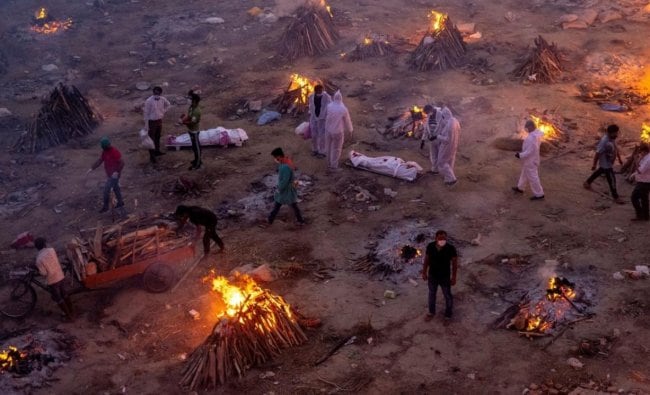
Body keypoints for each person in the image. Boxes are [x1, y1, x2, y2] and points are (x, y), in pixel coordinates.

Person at [421, 230, 458, 321]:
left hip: (444, 277)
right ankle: (431, 312)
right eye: (440, 238)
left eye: (444, 238)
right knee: (432, 294)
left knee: (447, 295)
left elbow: (454, 264)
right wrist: (424, 272)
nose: (442, 240)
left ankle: (448, 315)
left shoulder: (450, 248)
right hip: (432, 276)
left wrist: (453, 277)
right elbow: (427, 260)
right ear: (436, 238)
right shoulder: (430, 246)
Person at [34, 237, 74, 320]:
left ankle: (69, 317)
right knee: (65, 294)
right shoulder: (51, 250)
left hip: (52, 280)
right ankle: (71, 310)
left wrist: (38, 270)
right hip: (60, 275)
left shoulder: (38, 259)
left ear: (36, 247)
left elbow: (44, 273)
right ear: (45, 244)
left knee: (58, 298)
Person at [583, 124, 624, 204]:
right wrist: (594, 164)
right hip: (606, 164)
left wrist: (619, 158)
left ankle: (587, 182)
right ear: (610, 133)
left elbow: (615, 148)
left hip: (608, 163)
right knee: (612, 180)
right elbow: (597, 153)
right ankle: (615, 197)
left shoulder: (612, 138)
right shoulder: (604, 141)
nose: (616, 135)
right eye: (615, 133)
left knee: (600, 171)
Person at [267, 148, 305, 225]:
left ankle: (270, 220)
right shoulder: (286, 162)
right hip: (289, 188)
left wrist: (279, 188)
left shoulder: (285, 167)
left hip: (287, 189)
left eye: (275, 157)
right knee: (289, 204)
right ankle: (300, 221)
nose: (275, 159)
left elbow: (285, 180)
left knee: (282, 204)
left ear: (279, 156)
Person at [87, 137, 125, 213]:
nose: (104, 148)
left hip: (114, 175)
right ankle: (120, 203)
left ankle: (105, 207)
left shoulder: (114, 151)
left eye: (104, 147)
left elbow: (122, 162)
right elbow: (100, 160)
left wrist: (116, 172)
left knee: (106, 190)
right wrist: (92, 168)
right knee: (116, 189)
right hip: (110, 174)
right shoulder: (105, 152)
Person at [512, 120, 545, 200]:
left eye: (527, 128)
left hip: (530, 161)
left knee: (533, 177)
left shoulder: (532, 138)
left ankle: (539, 194)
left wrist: (520, 155)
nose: (526, 129)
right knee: (524, 174)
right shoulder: (537, 134)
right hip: (530, 160)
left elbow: (530, 151)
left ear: (531, 127)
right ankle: (520, 187)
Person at [324, 91, 353, 171]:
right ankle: (334, 166)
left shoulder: (329, 106)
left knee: (328, 146)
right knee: (336, 149)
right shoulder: (343, 109)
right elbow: (347, 120)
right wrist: (350, 130)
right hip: (337, 131)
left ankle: (328, 163)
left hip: (328, 130)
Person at [143, 86, 171, 163]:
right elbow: (146, 113)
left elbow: (168, 104)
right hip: (151, 122)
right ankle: (152, 157)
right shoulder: (148, 101)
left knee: (158, 137)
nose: (156, 94)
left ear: (160, 93)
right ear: (153, 92)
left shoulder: (162, 99)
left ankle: (157, 151)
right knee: (151, 139)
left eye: (158, 93)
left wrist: (163, 112)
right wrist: (146, 125)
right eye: (155, 93)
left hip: (159, 120)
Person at [436, 107, 461, 186]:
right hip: (454, 144)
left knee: (441, 162)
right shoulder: (455, 121)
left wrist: (438, 136)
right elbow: (459, 132)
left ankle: (452, 179)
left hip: (447, 146)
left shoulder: (449, 125)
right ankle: (448, 178)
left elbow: (447, 139)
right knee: (450, 161)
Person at [180, 91, 202, 170]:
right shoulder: (191, 107)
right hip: (191, 130)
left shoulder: (196, 111)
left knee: (197, 148)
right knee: (194, 147)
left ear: (195, 101)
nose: (189, 100)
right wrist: (183, 119)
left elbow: (193, 122)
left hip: (194, 131)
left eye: (190, 99)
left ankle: (198, 164)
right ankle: (196, 160)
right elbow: (189, 117)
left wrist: (183, 122)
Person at [308, 85, 331, 158]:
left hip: (322, 119)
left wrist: (327, 116)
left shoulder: (327, 97)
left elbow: (329, 107)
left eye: (322, 90)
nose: (321, 91)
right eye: (320, 90)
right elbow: (311, 106)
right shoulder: (311, 96)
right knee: (314, 134)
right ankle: (315, 149)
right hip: (314, 117)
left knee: (322, 135)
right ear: (316, 90)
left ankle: (322, 151)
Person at [420, 104, 442, 173]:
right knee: (433, 155)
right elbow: (426, 128)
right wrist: (423, 140)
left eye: (427, 113)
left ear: (431, 110)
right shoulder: (429, 116)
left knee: (440, 155)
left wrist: (436, 136)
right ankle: (434, 170)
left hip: (440, 139)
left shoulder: (440, 114)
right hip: (431, 139)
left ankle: (442, 170)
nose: (427, 115)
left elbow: (443, 127)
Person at [631, 143, 650, 221]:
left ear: (645, 151)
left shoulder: (648, 160)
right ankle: (646, 216)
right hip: (644, 180)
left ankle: (640, 214)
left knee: (634, 197)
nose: (640, 153)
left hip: (644, 182)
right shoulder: (645, 157)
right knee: (644, 198)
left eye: (641, 151)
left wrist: (635, 161)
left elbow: (640, 171)